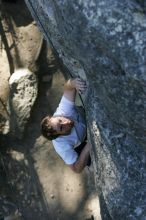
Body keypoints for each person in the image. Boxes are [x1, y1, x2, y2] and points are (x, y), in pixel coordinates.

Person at [41, 78, 91, 173]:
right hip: (81, 143)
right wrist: (88, 147)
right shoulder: (62, 146)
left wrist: (74, 83)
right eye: (61, 128)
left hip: (86, 116)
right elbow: (76, 169)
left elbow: (68, 88)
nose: (66, 122)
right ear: (59, 136)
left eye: (60, 120)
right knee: (87, 160)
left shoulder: (62, 112)